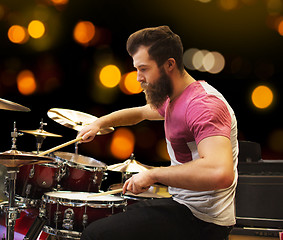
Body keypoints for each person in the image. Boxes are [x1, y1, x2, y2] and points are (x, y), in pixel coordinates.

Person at [77, 26, 238, 240]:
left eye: (144, 69)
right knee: (121, 213)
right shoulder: (177, 97)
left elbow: (221, 173)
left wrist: (153, 174)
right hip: (183, 206)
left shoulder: (203, 105)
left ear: (169, 64)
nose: (138, 78)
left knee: (94, 235)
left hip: (203, 221)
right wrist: (100, 123)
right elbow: (141, 113)